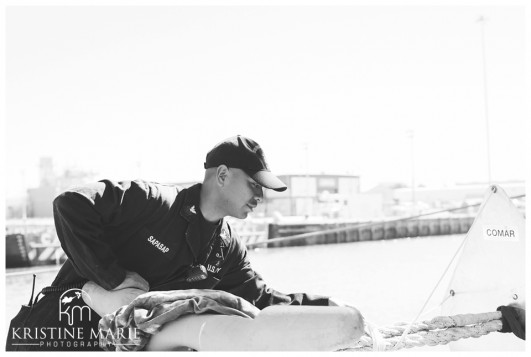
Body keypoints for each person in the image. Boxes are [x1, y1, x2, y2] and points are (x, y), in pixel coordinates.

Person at [6, 135, 356, 351]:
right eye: (254, 185)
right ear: (222, 176)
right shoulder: (152, 202)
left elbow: (260, 299)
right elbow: (71, 204)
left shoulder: (226, 247)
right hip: (53, 336)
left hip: (119, 346)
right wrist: (114, 279)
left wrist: (327, 306)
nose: (260, 197)